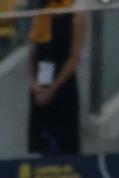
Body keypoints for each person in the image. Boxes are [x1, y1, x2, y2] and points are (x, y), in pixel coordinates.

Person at [26, 0, 84, 155]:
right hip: (41, 81)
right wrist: (34, 84)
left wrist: (52, 89)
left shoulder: (75, 16)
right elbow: (32, 54)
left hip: (62, 83)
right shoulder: (41, 16)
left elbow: (74, 57)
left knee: (64, 138)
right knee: (41, 138)